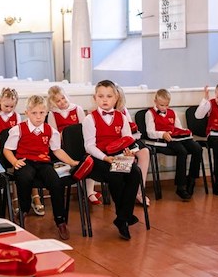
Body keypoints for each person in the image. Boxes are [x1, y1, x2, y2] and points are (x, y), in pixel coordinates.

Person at [3, 95, 80, 240]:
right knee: (24, 177)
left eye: (42, 113)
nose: (38, 117)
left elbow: (57, 150)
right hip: (25, 161)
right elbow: (7, 149)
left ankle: (60, 220)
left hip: (43, 162)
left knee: (56, 182)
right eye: (34, 113)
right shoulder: (18, 129)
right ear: (27, 113)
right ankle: (23, 210)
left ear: (46, 113)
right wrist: (14, 161)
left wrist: (72, 162)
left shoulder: (50, 130)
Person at [83, 80, 141, 240]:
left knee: (135, 172)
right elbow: (89, 146)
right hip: (98, 158)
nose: (105, 99)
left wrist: (130, 154)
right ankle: (125, 217)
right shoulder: (90, 119)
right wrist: (105, 157)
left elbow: (127, 139)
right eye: (101, 96)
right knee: (116, 174)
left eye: (109, 96)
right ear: (95, 98)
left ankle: (122, 217)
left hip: (117, 156)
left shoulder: (121, 117)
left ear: (116, 98)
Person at [0, 87, 44, 216]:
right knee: (17, 162)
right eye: (6, 106)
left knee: (28, 160)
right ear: (0, 101)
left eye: (12, 106)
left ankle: (34, 195)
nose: (9, 109)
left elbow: (20, 133)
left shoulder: (17, 115)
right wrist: (2, 137)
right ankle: (17, 198)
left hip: (15, 147)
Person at [47, 85, 102, 205]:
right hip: (64, 147)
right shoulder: (52, 114)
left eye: (63, 98)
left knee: (90, 158)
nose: (62, 102)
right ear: (53, 103)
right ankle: (86, 191)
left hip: (80, 143)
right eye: (58, 101)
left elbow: (84, 128)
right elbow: (53, 134)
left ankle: (89, 191)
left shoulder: (77, 109)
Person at [145, 88, 202, 200]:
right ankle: (181, 186)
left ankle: (191, 180)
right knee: (182, 151)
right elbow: (150, 132)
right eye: (161, 105)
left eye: (166, 105)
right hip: (164, 140)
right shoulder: (149, 113)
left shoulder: (172, 112)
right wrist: (162, 134)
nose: (164, 108)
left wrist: (185, 132)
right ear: (155, 101)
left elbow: (178, 128)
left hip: (176, 138)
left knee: (197, 148)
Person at [116, 85, 151, 206]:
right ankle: (124, 194)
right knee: (128, 158)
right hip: (113, 147)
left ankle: (139, 192)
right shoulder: (97, 113)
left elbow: (129, 128)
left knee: (144, 152)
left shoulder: (123, 110)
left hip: (127, 140)